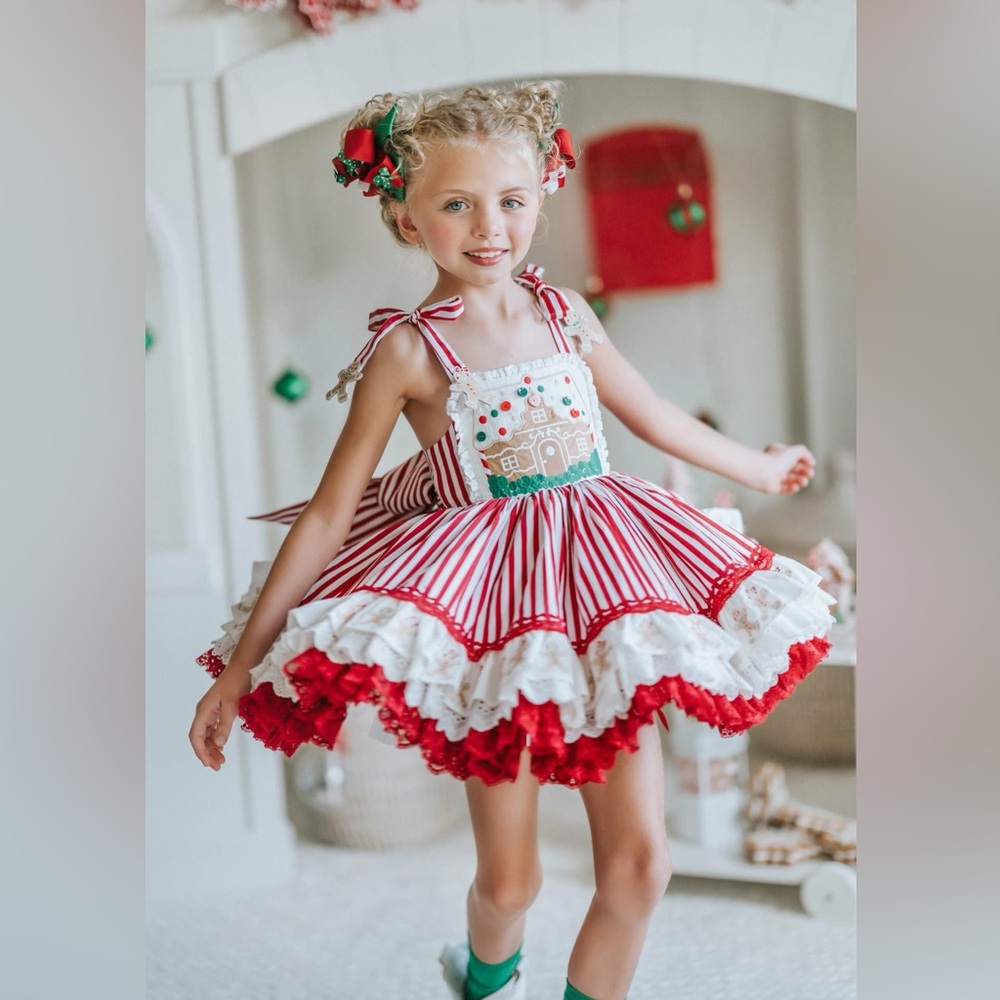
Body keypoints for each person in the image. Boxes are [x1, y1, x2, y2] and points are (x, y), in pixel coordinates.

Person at [190, 81, 834, 1000]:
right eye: (456, 204)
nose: (488, 226)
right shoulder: (409, 351)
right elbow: (332, 512)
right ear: (405, 216)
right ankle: (486, 973)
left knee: (642, 866)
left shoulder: (565, 311)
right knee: (511, 880)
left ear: (541, 197)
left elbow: (650, 416)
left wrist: (761, 469)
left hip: (607, 591)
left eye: (511, 201)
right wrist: (238, 667)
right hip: (495, 618)